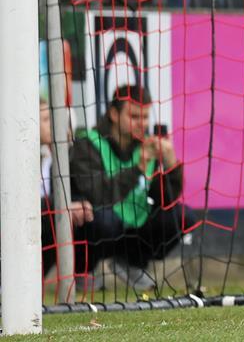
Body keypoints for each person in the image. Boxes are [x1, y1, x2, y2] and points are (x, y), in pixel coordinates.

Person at [71, 84, 183, 292]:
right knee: (105, 220)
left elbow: (164, 200)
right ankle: (85, 270)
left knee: (181, 216)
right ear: (114, 114)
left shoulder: (147, 146)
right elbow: (97, 196)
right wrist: (137, 168)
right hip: (95, 226)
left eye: (145, 117)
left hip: (131, 227)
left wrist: (171, 166)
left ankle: (131, 263)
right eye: (134, 117)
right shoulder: (88, 144)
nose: (142, 124)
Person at [40, 99, 94, 279]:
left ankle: (79, 274)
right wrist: (64, 206)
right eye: (47, 119)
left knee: (82, 215)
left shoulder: (67, 154)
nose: (55, 125)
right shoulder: (20, 158)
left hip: (53, 223)